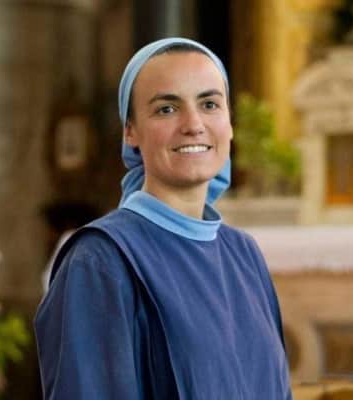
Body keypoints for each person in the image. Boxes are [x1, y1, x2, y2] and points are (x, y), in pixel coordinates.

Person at [34, 37, 293, 400]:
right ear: (130, 131)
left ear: (230, 123)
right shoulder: (99, 260)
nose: (194, 124)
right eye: (167, 109)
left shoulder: (245, 254)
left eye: (209, 104)